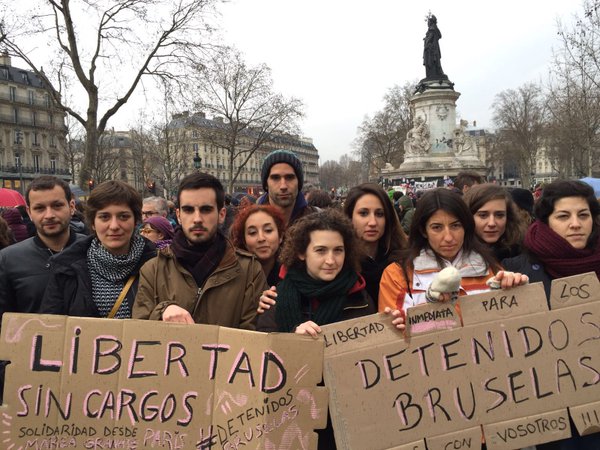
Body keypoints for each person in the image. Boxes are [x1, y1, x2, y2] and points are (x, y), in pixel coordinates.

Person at [257, 209, 374, 450]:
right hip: (290, 422)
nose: (331, 260)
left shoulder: (361, 298)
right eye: (321, 251)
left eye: (338, 250)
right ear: (301, 252)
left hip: (344, 423)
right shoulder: (276, 298)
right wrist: (293, 342)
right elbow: (259, 359)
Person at [503, 181, 600, 450]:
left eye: (583, 215)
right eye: (563, 216)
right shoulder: (516, 271)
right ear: (546, 222)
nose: (576, 224)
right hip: (554, 416)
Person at [133, 172, 266, 330]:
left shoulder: (249, 271)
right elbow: (139, 332)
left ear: (221, 214)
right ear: (179, 215)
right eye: (189, 210)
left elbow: (254, 337)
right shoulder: (152, 271)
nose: (197, 218)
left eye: (206, 210)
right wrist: (162, 312)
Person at [379, 188, 528, 314]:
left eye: (455, 226)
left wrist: (515, 291)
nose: (449, 237)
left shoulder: (491, 269)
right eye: (437, 227)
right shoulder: (397, 275)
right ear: (423, 230)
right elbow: (396, 339)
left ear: (466, 227)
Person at [40, 180, 156, 318]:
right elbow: (51, 324)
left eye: (123, 216)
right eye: (104, 217)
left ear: (136, 221)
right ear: (93, 223)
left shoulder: (158, 264)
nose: (114, 226)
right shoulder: (65, 268)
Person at [343, 183, 407, 302]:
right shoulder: (339, 264)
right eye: (363, 213)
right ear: (349, 217)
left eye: (379, 214)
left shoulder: (405, 260)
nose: (372, 222)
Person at [463, 183, 525, 261]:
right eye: (483, 215)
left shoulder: (524, 255)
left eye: (499, 215)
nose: (492, 223)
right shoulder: (455, 256)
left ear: (508, 217)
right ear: (468, 217)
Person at [230, 204, 285, 287]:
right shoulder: (231, 274)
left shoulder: (292, 273)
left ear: (280, 236)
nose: (261, 238)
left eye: (268, 230)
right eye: (252, 232)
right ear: (244, 241)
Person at [258, 149, 315, 227]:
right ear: (266, 184)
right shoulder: (247, 223)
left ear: (299, 183)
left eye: (289, 177)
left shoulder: (319, 222)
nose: (283, 186)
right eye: (275, 178)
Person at [423, 14, 445, 80]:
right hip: (431, 48)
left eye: (428, 22)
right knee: (433, 61)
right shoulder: (434, 28)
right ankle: (433, 74)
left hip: (431, 48)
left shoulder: (432, 28)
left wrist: (427, 42)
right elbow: (438, 35)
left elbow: (431, 36)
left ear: (431, 22)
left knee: (432, 61)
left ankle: (434, 74)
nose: (428, 23)